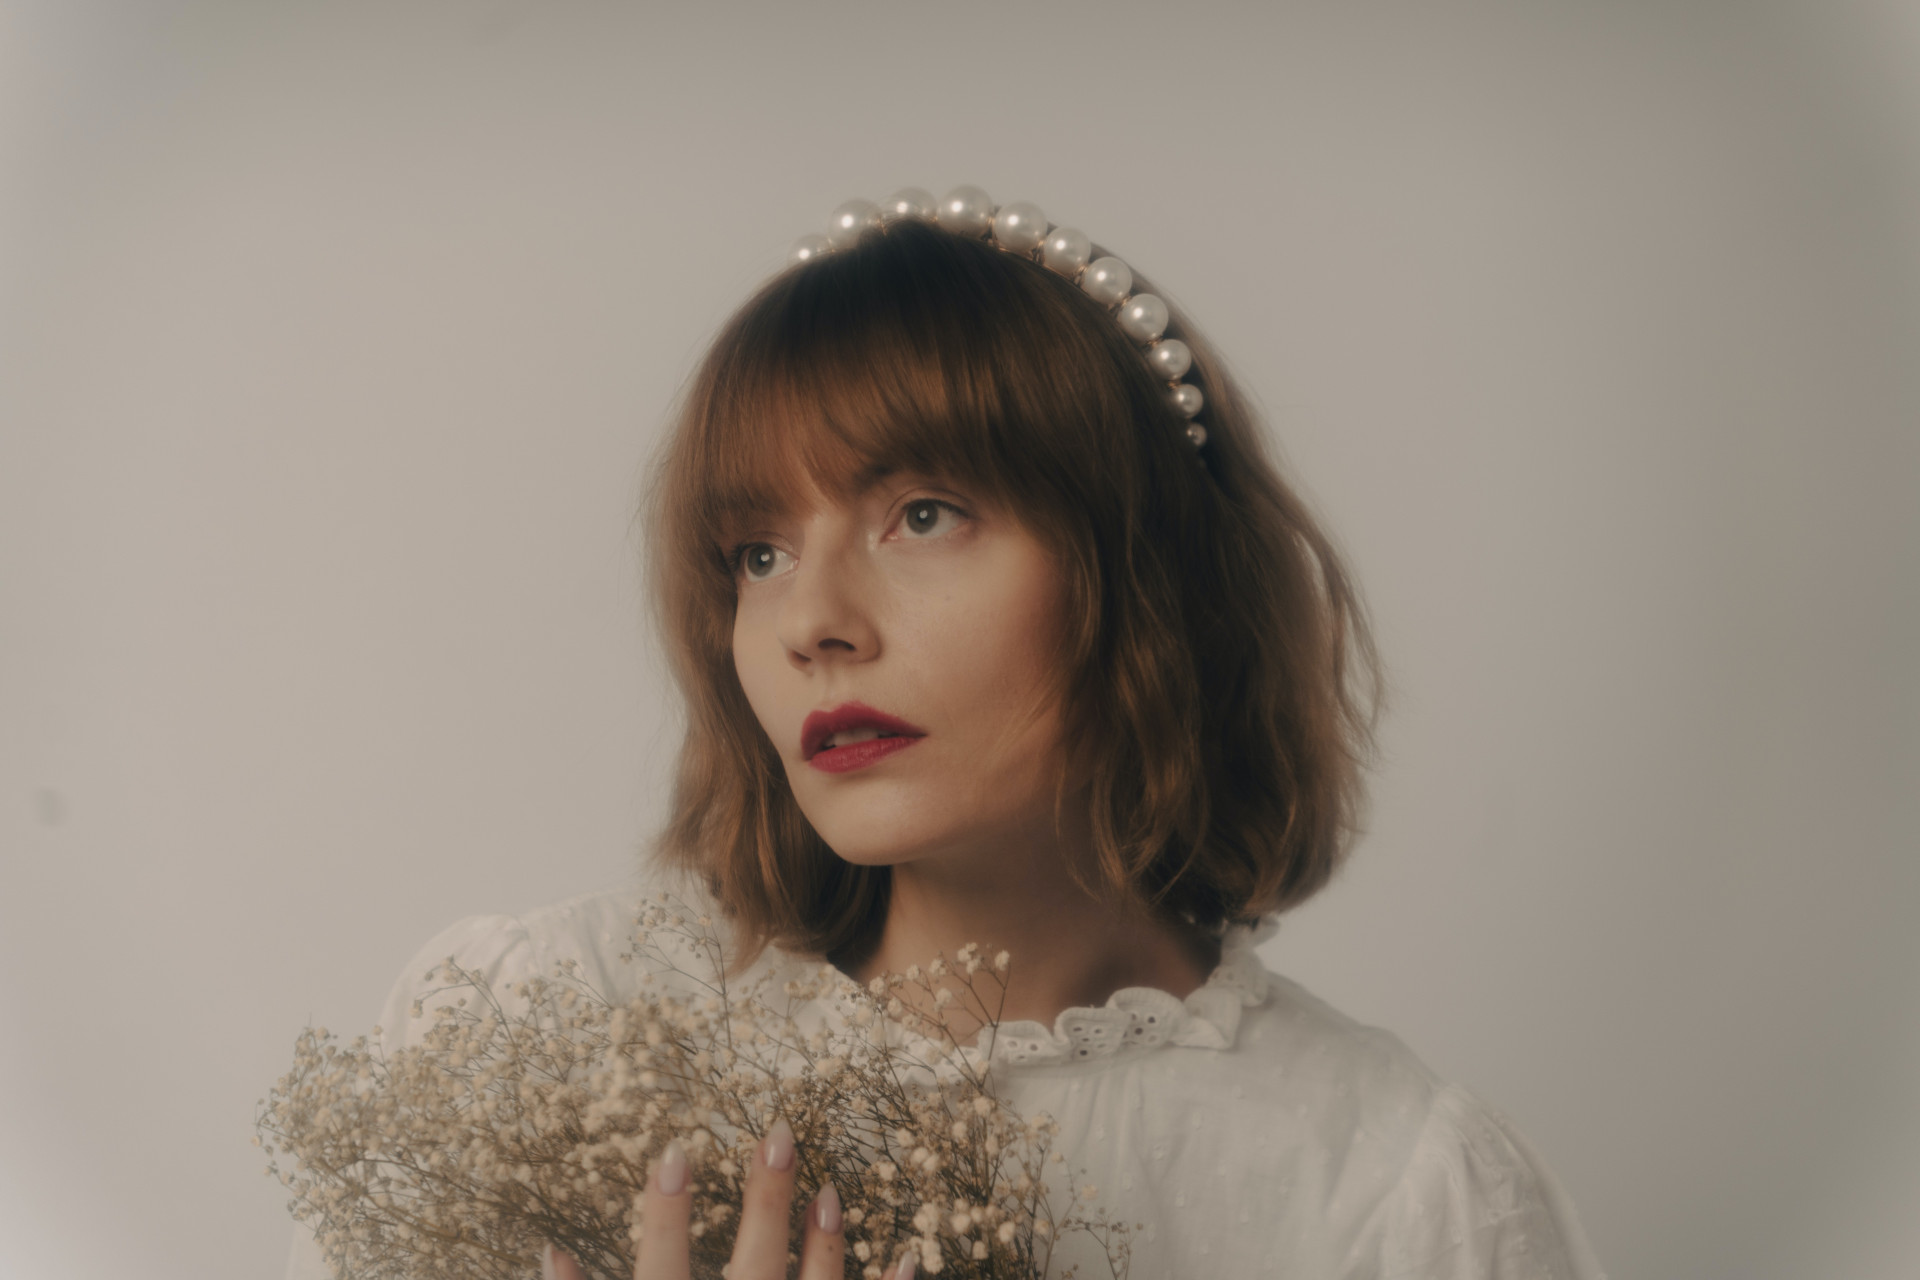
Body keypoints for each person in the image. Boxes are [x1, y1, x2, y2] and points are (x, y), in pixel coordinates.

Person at [285, 187, 1607, 1280]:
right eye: (753, 550)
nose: (812, 622)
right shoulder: (546, 1036)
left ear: (1147, 577)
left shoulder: (1394, 1196)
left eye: (923, 513)